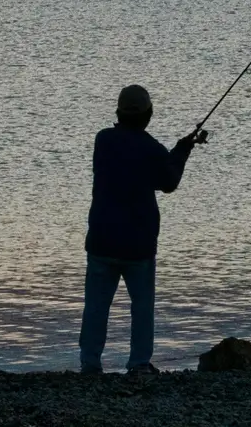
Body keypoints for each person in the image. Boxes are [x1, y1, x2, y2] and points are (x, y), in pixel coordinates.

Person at [79, 84, 206, 374]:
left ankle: (90, 362)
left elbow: (142, 164)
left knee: (96, 306)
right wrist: (183, 150)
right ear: (149, 115)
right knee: (142, 307)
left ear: (118, 113)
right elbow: (169, 181)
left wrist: (178, 149)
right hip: (138, 245)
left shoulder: (104, 141)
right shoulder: (152, 149)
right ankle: (137, 364)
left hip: (101, 241)